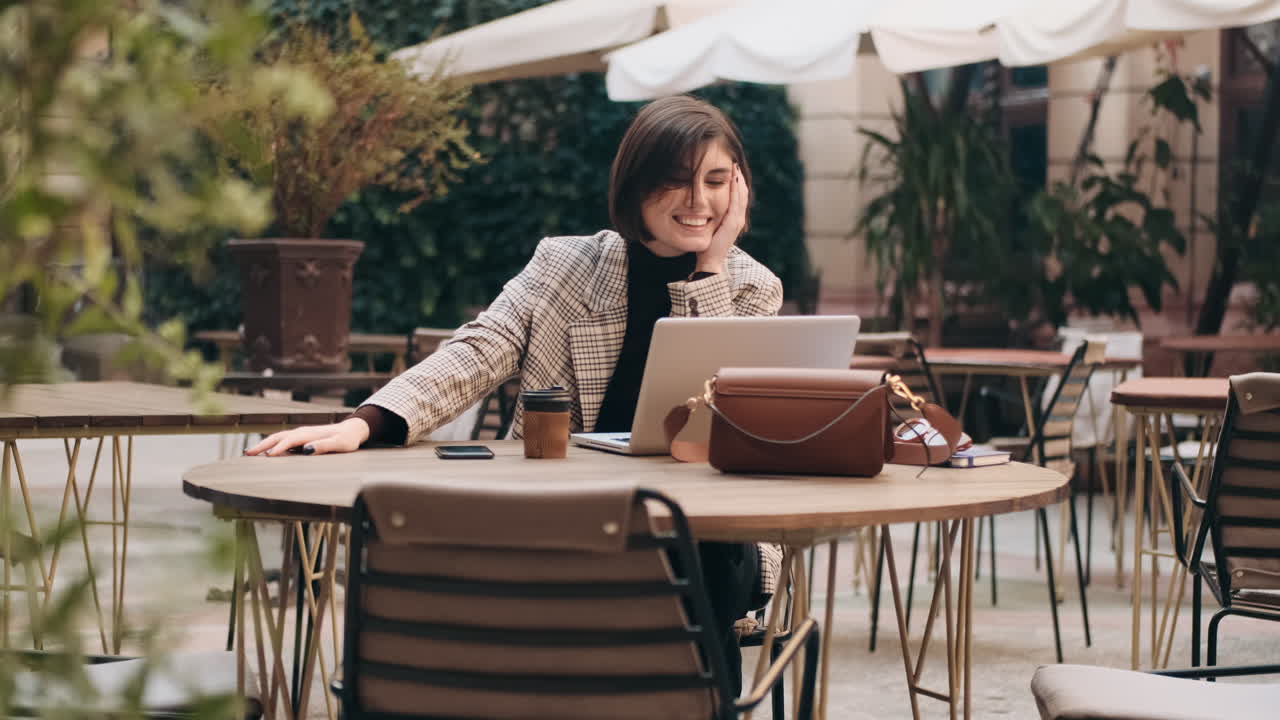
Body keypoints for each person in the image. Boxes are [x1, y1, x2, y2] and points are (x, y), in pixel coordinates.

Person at [248, 95, 784, 695]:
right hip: (562, 514)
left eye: (716, 182)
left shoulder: (752, 287)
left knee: (697, 553)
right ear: (635, 185)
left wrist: (709, 272)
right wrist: (365, 423)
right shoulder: (564, 265)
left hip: (704, 532)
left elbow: (716, 415)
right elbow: (479, 349)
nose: (700, 202)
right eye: (677, 182)